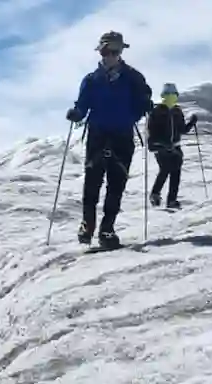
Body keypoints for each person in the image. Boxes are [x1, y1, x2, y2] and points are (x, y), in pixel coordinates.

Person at [66, 31, 153, 248]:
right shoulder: (91, 80)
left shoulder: (134, 78)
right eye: (107, 51)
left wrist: (143, 106)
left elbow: (145, 97)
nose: (110, 55)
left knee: (116, 184)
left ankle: (107, 229)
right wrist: (77, 113)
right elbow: (82, 105)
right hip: (98, 134)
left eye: (114, 51)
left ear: (121, 52)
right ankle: (88, 224)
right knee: (92, 182)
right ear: (101, 52)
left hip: (122, 135)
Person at [146, 83, 198, 209]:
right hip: (161, 146)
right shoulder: (157, 111)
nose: (171, 97)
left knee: (175, 171)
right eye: (168, 94)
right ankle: (157, 195)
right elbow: (151, 131)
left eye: (173, 94)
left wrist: (191, 123)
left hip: (175, 146)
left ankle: (170, 199)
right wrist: (160, 143)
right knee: (166, 169)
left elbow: (182, 130)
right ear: (163, 96)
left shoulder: (177, 111)